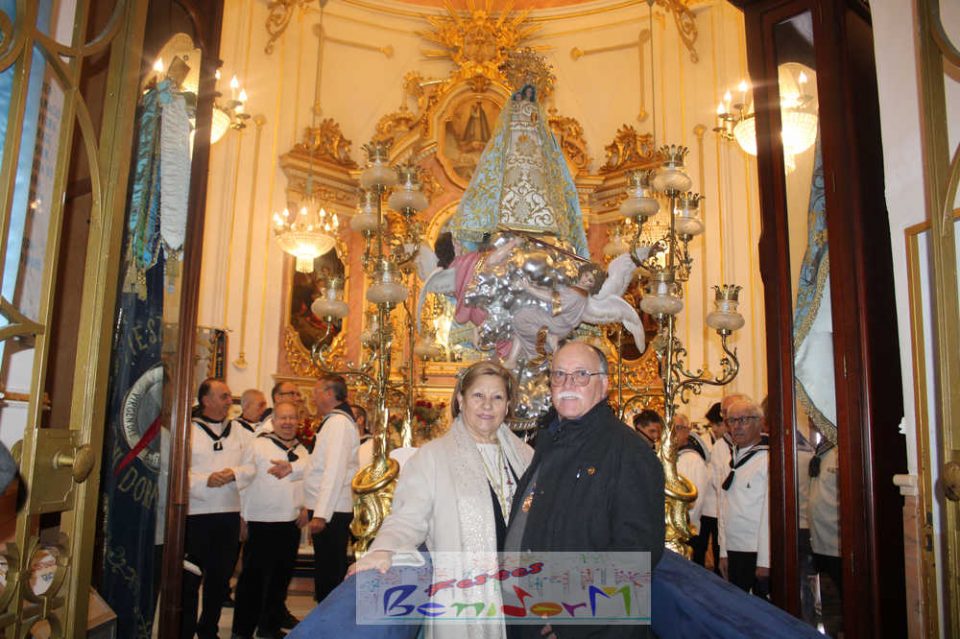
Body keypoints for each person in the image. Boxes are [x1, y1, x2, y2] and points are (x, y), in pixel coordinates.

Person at [352, 360, 533, 639]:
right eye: (478, 395)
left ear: (508, 405)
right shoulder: (433, 457)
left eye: (497, 397)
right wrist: (383, 549)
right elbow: (407, 518)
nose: (487, 405)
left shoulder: (526, 457)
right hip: (466, 594)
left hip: (522, 593)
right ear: (460, 400)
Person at [505, 341, 665, 638]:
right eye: (559, 374)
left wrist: (572, 615)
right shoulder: (550, 440)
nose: (568, 384)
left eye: (581, 374)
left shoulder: (629, 452)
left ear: (603, 384)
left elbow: (636, 552)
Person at [231, 401, 310, 639]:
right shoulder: (257, 445)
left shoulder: (303, 450)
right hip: (261, 521)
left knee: (280, 579)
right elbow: (243, 480)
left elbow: (309, 482)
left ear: (298, 422)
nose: (288, 422)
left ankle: (269, 628)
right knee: (252, 579)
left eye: (292, 418)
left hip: (290, 522)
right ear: (273, 421)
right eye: (283, 418)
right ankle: (242, 631)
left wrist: (306, 506)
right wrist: (241, 516)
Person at [182, 378, 244, 639]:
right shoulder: (188, 431)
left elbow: (252, 466)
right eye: (224, 396)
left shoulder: (239, 431)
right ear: (206, 400)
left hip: (229, 514)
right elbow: (177, 472)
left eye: (229, 396)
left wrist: (235, 473)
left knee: (219, 579)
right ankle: (183, 631)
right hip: (197, 514)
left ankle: (209, 629)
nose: (230, 401)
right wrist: (204, 480)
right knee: (189, 579)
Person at [304, 374, 360, 603]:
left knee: (329, 571)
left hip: (332, 510)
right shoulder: (334, 421)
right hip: (329, 508)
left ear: (329, 393)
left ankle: (328, 617)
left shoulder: (338, 423)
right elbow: (318, 464)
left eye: (316, 392)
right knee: (325, 567)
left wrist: (321, 514)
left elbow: (334, 470)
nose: (313, 397)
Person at [717, 398, 770, 598]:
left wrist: (765, 561)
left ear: (760, 422)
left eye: (744, 420)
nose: (737, 426)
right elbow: (723, 508)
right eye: (732, 421)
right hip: (733, 548)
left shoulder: (767, 460)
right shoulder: (730, 459)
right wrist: (723, 551)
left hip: (755, 550)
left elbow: (768, 514)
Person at [809, 430, 842, 637]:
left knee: (842, 598)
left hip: (837, 542)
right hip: (818, 540)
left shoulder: (841, 451)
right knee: (826, 601)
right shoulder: (821, 450)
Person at [673, 413, 709, 541]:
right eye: (669, 427)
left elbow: (697, 499)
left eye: (677, 428)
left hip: (686, 529)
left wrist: (684, 524)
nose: (672, 432)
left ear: (687, 431)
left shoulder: (693, 460)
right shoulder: (666, 456)